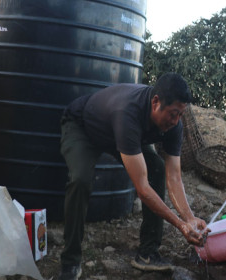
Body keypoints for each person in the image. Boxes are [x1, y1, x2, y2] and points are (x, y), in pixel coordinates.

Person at [58, 72, 209, 280]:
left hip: (117, 134)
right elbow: (143, 189)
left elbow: (174, 178)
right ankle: (70, 261)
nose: (176, 121)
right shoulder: (128, 113)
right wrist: (180, 225)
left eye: (180, 114)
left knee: (155, 166)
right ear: (156, 102)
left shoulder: (175, 124)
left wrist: (190, 218)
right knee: (80, 179)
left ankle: (147, 253)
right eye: (173, 114)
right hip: (83, 126)